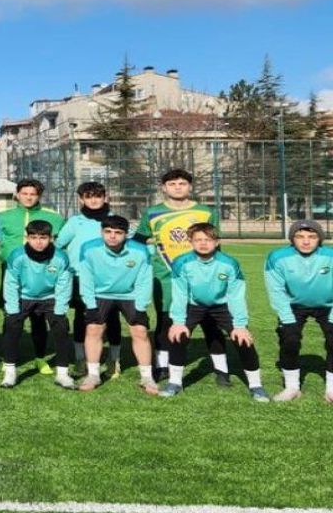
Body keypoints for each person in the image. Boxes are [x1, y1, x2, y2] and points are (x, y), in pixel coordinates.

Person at [161, 223, 267, 401]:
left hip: (222, 306)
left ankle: (256, 386)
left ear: (217, 242)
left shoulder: (229, 263)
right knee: (178, 336)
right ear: (190, 242)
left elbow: (236, 295)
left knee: (243, 340)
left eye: (208, 240)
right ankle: (174, 383)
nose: (203, 243)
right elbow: (179, 293)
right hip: (194, 305)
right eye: (198, 240)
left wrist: (240, 325)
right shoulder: (181, 262)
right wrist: (178, 322)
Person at [134, 168, 217, 380]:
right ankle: (162, 366)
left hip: (201, 277)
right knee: (165, 321)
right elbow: (138, 242)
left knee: (210, 321)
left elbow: (215, 245)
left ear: (190, 186)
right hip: (164, 278)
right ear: (164, 188)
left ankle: (221, 369)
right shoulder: (152, 213)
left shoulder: (206, 212)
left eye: (182, 183)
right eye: (172, 184)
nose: (177, 188)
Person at [77, 215, 157, 394]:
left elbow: (144, 280)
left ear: (126, 234)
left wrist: (141, 306)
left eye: (118, 233)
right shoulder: (89, 249)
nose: (112, 236)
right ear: (101, 232)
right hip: (100, 294)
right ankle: (93, 375)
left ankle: (147, 377)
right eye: (108, 231)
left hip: (130, 295)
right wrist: (90, 304)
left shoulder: (140, 251)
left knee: (140, 331)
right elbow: (86, 279)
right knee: (93, 329)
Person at [56, 182, 123, 375]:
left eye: (98, 196)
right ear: (81, 199)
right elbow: (58, 245)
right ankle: (80, 358)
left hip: (109, 278)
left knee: (112, 317)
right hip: (80, 278)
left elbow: (130, 241)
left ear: (105, 197)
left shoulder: (114, 220)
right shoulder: (74, 222)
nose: (93, 200)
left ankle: (114, 359)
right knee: (82, 317)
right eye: (88, 196)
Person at [263, 220, 333, 403]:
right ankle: (292, 388)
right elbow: (276, 290)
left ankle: (331, 389)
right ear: (292, 239)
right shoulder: (277, 257)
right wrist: (287, 318)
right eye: (300, 236)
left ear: (320, 239)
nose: (306, 241)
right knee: (289, 339)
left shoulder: (330, 256)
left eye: (312, 236)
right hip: (293, 305)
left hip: (329, 305)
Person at [0, 220, 74, 389]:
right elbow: (11, 283)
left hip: (50, 296)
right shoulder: (17, 255)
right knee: (12, 326)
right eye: (33, 237)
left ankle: (62, 374)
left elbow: (64, 284)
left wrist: (60, 309)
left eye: (43, 237)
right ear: (27, 238)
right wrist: (12, 309)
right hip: (23, 296)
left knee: (61, 328)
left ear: (51, 238)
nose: (38, 242)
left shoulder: (60, 257)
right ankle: (10, 371)